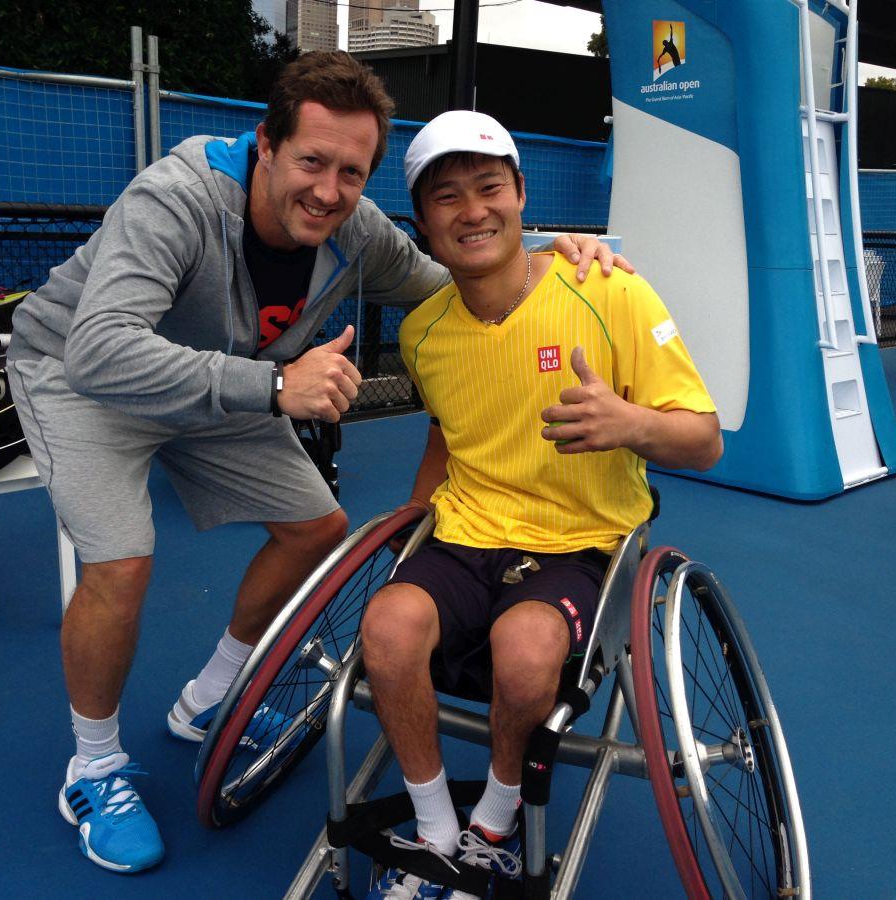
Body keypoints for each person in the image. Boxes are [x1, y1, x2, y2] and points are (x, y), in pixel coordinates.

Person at [7, 51, 630, 874]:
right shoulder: (175, 199)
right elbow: (99, 351)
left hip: (223, 378)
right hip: (85, 378)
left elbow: (462, 270)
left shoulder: (355, 230)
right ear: (264, 144)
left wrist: (556, 251)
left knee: (318, 529)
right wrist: (271, 384)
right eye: (311, 161)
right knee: (120, 562)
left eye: (352, 172)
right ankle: (93, 766)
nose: (329, 191)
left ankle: (211, 695)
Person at [360, 110, 722, 898]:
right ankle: (433, 830)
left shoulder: (608, 291)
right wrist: (408, 531)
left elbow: (703, 441)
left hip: (583, 544)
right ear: (423, 223)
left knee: (525, 656)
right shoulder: (423, 331)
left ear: (522, 195)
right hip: (467, 534)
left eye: (490, 187)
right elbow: (448, 435)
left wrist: (629, 424)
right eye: (446, 198)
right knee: (386, 629)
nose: (472, 211)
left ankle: (492, 822)